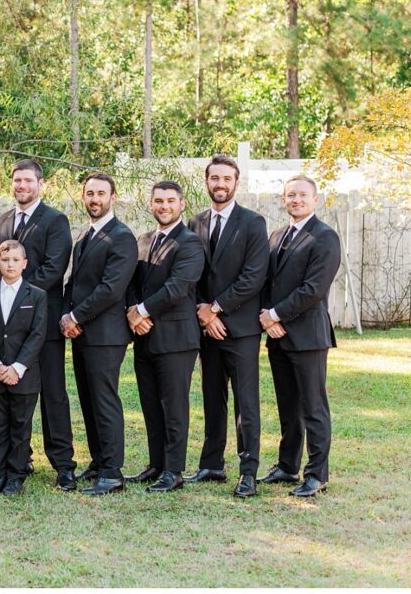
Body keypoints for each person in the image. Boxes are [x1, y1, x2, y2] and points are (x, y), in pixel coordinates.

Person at [0, 160, 77, 491]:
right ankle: (14, 462)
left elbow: (54, 268)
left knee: (52, 395)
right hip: (3, 327)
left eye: (28, 180)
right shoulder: (1, 220)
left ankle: (64, 464)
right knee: (7, 396)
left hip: (42, 325)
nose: (22, 186)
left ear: (41, 184)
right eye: (17, 180)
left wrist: (21, 295)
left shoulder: (55, 221)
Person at [185, 155, 269, 498]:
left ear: (236, 182)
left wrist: (217, 309)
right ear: (207, 182)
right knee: (211, 397)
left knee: (246, 403)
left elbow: (254, 276)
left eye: (226, 178)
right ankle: (212, 463)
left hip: (241, 328)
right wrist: (203, 313)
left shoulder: (253, 222)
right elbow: (191, 273)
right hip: (207, 328)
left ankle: (248, 471)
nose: (220, 184)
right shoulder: (195, 222)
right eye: (214, 178)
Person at [258, 174, 341, 498]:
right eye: (290, 195)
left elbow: (314, 289)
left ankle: (317, 474)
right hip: (277, 336)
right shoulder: (277, 235)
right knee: (288, 406)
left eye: (302, 195)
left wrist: (275, 315)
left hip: (308, 337)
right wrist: (267, 317)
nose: (296, 200)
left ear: (314, 199)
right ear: (284, 200)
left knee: (313, 407)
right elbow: (265, 282)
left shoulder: (325, 237)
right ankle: (287, 466)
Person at [59, 173, 137, 496]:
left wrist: (75, 315)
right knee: (89, 400)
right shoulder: (84, 238)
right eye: (89, 193)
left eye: (101, 193)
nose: (94, 198)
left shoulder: (121, 237)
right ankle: (99, 459)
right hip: (82, 334)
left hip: (106, 334)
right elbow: (74, 284)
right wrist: (66, 316)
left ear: (113, 198)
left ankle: (112, 472)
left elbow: (110, 289)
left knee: (105, 401)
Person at [125, 180, 205, 493]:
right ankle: (156, 464)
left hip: (176, 339)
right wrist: (133, 309)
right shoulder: (143, 240)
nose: (164, 206)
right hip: (144, 338)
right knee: (150, 404)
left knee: (173, 406)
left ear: (181, 205)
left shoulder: (190, 243)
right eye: (159, 201)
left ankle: (174, 471)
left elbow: (178, 287)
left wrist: (141, 311)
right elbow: (131, 282)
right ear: (151, 204)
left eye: (170, 201)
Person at [0, 240, 47, 497]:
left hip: (24, 374)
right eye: (5, 260)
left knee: (20, 425)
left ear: (25, 264)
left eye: (16, 260)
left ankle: (16, 476)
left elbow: (37, 335)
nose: (10, 264)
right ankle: (0, 473)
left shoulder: (37, 295)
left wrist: (16, 367)